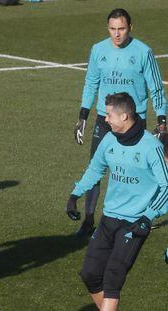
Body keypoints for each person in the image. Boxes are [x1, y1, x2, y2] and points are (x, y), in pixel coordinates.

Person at [66, 92, 168, 311]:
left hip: (134, 224)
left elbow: (166, 185)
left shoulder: (152, 147)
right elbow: (95, 169)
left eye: (109, 114)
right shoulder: (109, 139)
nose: (105, 118)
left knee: (112, 282)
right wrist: (75, 195)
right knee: (90, 275)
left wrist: (148, 217)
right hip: (108, 219)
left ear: (124, 117)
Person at [73, 8, 167, 236]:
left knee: (137, 173)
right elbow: (91, 83)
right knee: (96, 168)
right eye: (113, 29)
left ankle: (143, 216)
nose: (117, 34)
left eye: (121, 29)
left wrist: (162, 121)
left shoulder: (143, 52)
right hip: (106, 122)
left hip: (134, 123)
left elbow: (156, 87)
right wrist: (83, 116)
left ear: (130, 28)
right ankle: (87, 221)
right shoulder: (98, 50)